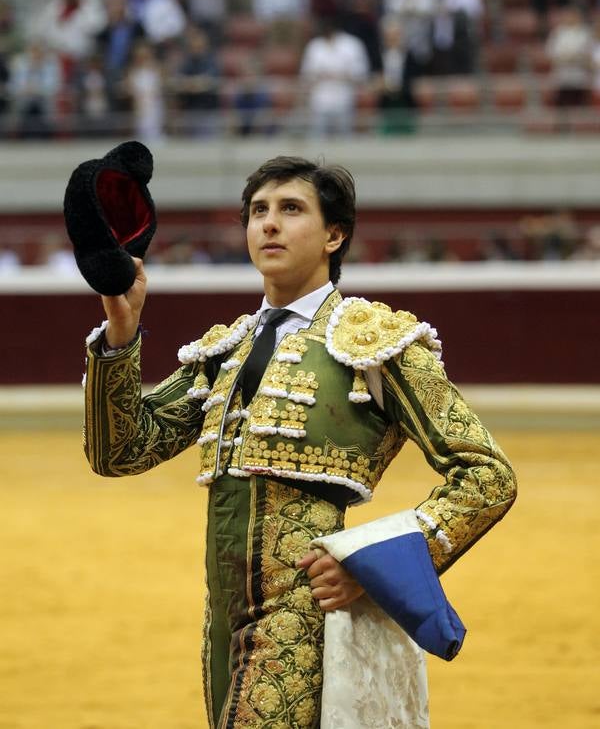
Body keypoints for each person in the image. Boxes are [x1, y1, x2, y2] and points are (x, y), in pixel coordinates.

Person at [82, 155, 517, 728]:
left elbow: (486, 475)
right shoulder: (225, 351)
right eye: (259, 211)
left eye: (291, 210)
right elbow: (121, 452)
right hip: (222, 621)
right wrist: (122, 329)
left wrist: (375, 566)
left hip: (309, 615)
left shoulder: (375, 342)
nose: (269, 224)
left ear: (334, 235)